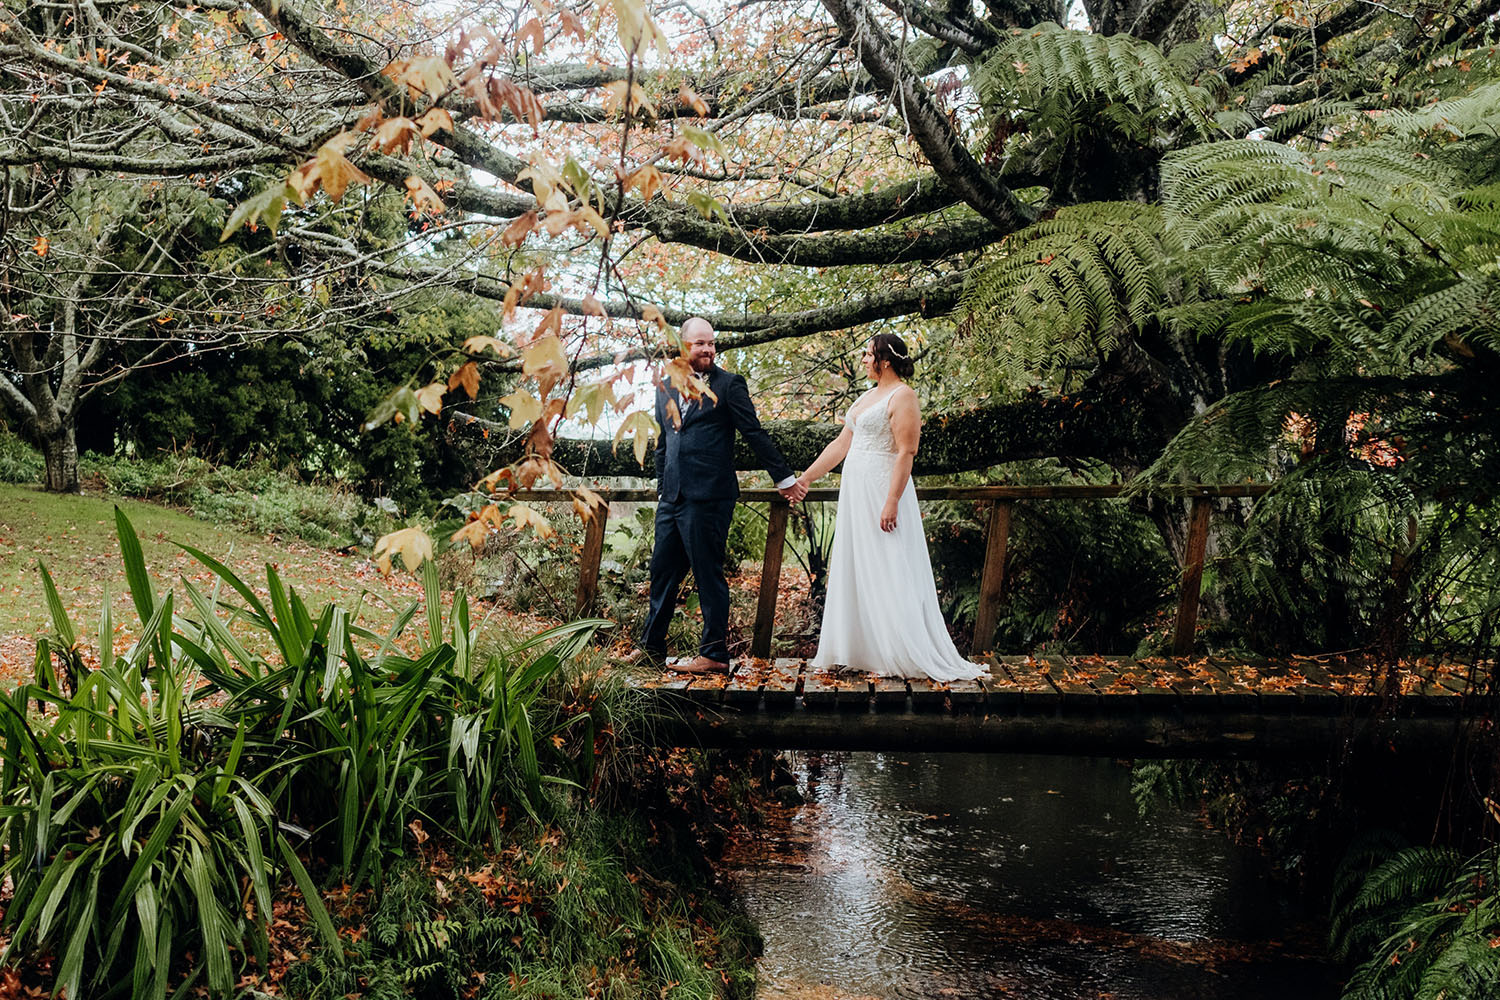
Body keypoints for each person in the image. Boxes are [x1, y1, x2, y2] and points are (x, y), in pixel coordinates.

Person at [795, 334, 987, 681]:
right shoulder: (867, 397)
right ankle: (862, 648)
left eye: (868, 355)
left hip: (883, 491)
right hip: (856, 493)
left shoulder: (904, 396)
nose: (863, 360)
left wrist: (892, 501)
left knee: (888, 565)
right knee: (859, 564)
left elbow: (905, 452)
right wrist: (806, 477)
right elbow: (841, 445)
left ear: (884, 360)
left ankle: (895, 649)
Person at [640, 317, 807, 674]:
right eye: (700, 343)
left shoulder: (730, 385)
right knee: (661, 574)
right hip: (672, 497)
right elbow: (662, 442)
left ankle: (714, 653)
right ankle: (651, 650)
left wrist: (785, 478)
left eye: (711, 343)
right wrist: (661, 488)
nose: (707, 349)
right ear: (684, 346)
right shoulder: (665, 386)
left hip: (709, 497)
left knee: (707, 573)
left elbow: (754, 433)